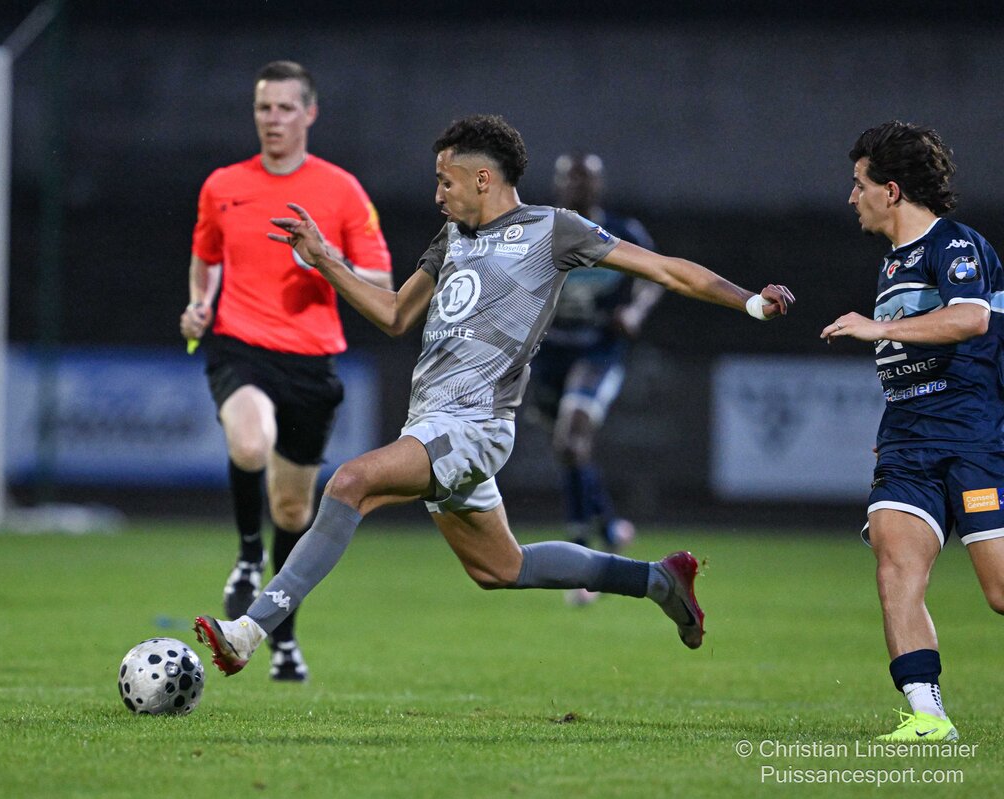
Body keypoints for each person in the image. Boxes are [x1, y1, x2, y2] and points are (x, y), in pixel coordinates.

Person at [193, 114, 794, 678]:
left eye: (445, 180)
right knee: (501, 567)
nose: (438, 194)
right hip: (431, 424)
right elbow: (396, 314)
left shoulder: (553, 230)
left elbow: (665, 270)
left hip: (474, 427)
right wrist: (325, 260)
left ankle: (250, 630)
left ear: (483, 178)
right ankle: (660, 581)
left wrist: (750, 302)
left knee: (349, 483)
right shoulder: (452, 236)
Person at [178, 60, 393, 681]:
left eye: (284, 108)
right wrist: (198, 305)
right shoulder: (223, 185)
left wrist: (321, 260)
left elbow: (381, 279)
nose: (272, 119)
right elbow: (205, 260)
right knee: (250, 441)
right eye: (263, 108)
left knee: (294, 512)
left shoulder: (342, 190)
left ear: (309, 113)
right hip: (239, 346)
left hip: (311, 361)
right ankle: (248, 557)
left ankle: (281, 639)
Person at [822, 121, 1004, 742]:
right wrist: (897, 411)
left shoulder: (954, 245)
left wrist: (878, 329)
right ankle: (928, 716)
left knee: (1000, 591)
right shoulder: (894, 263)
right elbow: (913, 358)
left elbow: (969, 319)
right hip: (907, 441)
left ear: (891, 190)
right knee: (895, 565)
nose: (852, 196)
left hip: (975, 439)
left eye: (859, 183)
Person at [529, 153, 664, 606]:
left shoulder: (622, 231)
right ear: (558, 185)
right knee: (570, 450)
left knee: (571, 441)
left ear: (599, 186)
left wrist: (636, 310)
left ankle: (583, 562)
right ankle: (610, 526)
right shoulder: (541, 231)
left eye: (586, 180)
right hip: (548, 354)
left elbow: (657, 275)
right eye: (571, 179)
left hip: (597, 351)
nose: (578, 187)